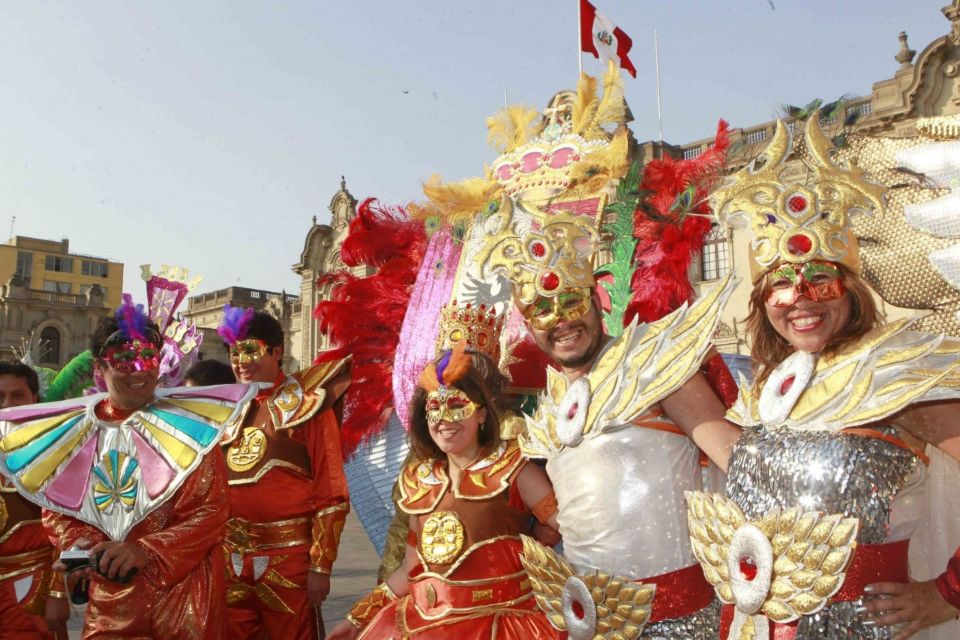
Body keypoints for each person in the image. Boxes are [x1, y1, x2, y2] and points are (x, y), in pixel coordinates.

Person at [686, 116, 960, 639]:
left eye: (819, 279)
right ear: (763, 301)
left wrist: (945, 595)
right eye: (781, 285)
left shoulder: (896, 372)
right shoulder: (770, 391)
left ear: (852, 288)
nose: (800, 300)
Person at [475, 195, 742, 638]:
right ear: (528, 325)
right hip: (592, 624)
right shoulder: (550, 408)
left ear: (597, 302)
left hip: (681, 621)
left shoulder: (651, 365)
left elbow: (741, 463)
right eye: (542, 310)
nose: (560, 321)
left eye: (572, 303)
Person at [0, 296, 255, 638]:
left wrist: (144, 551)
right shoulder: (77, 431)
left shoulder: (190, 426)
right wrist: (86, 547)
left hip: (185, 598)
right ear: (98, 370)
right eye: (123, 359)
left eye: (148, 356)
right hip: (111, 598)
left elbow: (210, 512)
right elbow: (58, 508)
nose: (140, 370)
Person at [328, 335, 563, 640]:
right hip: (424, 623)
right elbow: (412, 567)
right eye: (434, 408)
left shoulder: (516, 469)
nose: (443, 419)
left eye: (456, 405)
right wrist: (359, 616)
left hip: (502, 626)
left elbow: (571, 527)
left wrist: (535, 545)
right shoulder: (420, 481)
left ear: (481, 414)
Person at [217, 306, 351, 640]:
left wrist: (320, 566)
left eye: (251, 350)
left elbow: (331, 491)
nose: (241, 361)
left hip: (289, 560)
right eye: (235, 352)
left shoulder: (307, 405)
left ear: (277, 351)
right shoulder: (224, 411)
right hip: (229, 560)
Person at [0, 362, 68, 640]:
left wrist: (57, 590)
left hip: (31, 587)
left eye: (17, 396)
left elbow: (70, 529)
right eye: (0, 396)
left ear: (34, 400)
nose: (7, 405)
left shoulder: (55, 454)